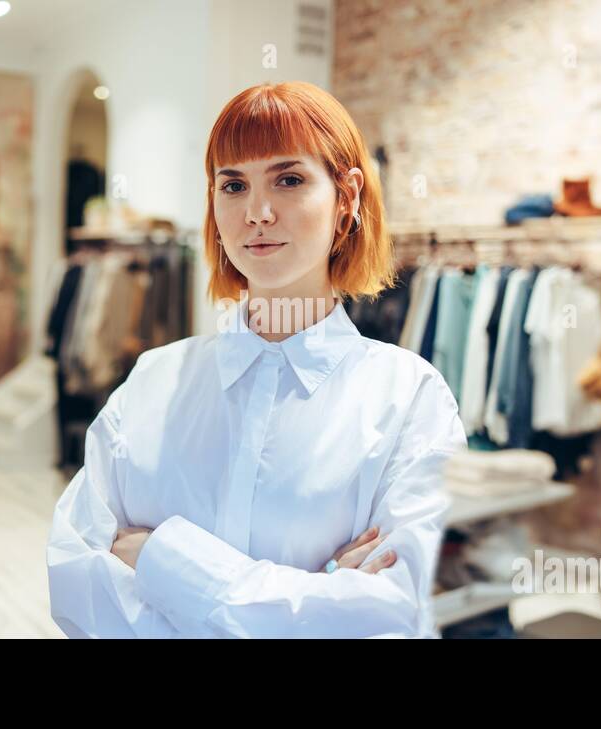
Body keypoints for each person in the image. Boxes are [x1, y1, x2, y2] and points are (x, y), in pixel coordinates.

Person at [46, 81, 467, 638]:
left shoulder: (409, 397)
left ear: (347, 200)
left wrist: (160, 560)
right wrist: (324, 587)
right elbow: (78, 587)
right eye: (234, 184)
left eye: (289, 180)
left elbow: (396, 612)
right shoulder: (154, 382)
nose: (258, 212)